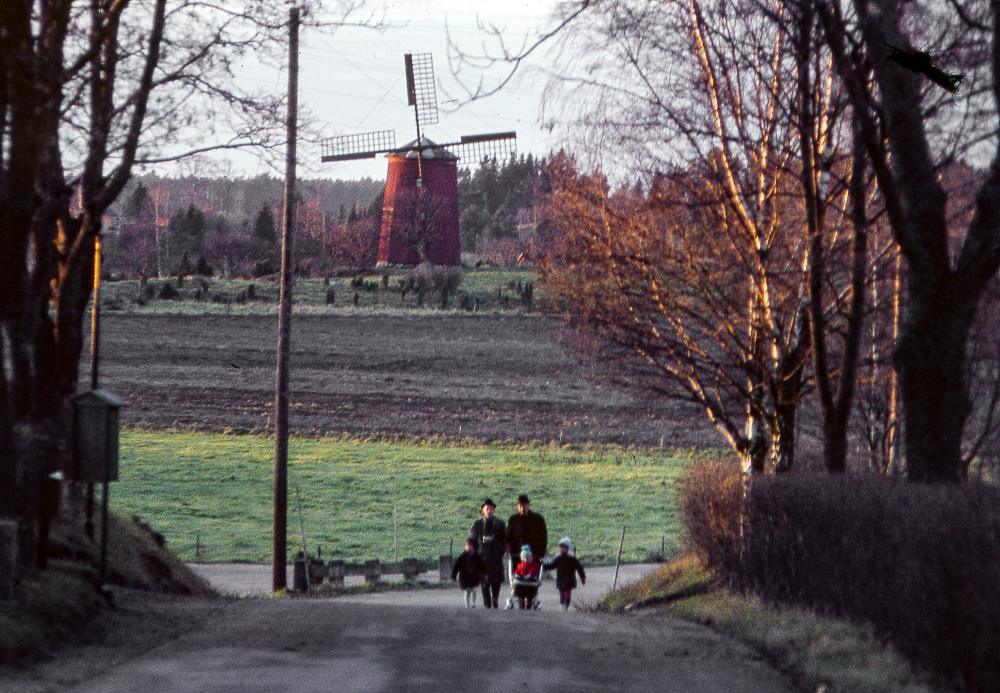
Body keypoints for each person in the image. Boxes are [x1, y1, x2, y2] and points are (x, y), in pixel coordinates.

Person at [470, 498, 506, 609]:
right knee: (484, 580)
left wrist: (499, 547)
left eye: (491, 508)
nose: (489, 510)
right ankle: (486, 601)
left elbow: (505, 540)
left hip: (496, 555)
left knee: (496, 580)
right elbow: (473, 539)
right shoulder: (477, 524)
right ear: (483, 510)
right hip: (482, 556)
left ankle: (495, 598)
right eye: (487, 509)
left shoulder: (500, 524)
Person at [506, 494, 547, 571]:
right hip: (516, 555)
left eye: (524, 506)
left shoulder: (538, 519)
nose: (522, 509)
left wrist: (540, 554)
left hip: (534, 555)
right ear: (517, 506)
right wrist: (510, 552)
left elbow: (543, 538)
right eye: (520, 506)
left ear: (528, 505)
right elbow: (508, 538)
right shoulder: (513, 520)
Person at [544, 537, 586, 611]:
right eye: (561, 548)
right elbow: (551, 565)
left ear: (567, 549)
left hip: (569, 580)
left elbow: (579, 568)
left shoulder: (572, 558)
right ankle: (561, 607)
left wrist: (582, 577)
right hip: (560, 579)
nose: (562, 549)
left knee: (568, 596)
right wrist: (543, 565)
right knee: (562, 595)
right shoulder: (558, 558)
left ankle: (566, 606)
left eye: (564, 548)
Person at [450, 537, 485, 608]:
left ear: (474, 547)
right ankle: (467, 605)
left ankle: (473, 603)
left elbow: (482, 567)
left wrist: (484, 574)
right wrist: (453, 577)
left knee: (474, 590)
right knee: (467, 591)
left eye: (470, 545)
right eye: (467, 545)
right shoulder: (462, 557)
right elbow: (456, 567)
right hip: (464, 577)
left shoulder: (477, 557)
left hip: (474, 577)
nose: (468, 547)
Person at [510, 544, 542, 609]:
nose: (527, 559)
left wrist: (530, 575)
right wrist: (514, 575)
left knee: (530, 592)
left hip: (530, 580)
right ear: (522, 559)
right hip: (521, 581)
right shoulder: (520, 565)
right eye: (525, 558)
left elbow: (534, 570)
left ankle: (529, 602)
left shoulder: (534, 564)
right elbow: (517, 571)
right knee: (518, 582)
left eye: (529, 557)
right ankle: (521, 600)